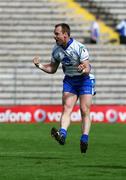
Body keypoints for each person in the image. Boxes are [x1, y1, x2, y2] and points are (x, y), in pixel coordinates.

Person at [33, 23, 96, 154]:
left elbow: (88, 67)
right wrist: (39, 65)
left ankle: (84, 138)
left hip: (85, 80)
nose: (54, 36)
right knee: (67, 108)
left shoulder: (79, 47)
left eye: (57, 33)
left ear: (65, 35)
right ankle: (62, 135)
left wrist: (83, 69)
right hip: (70, 81)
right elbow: (52, 68)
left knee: (84, 110)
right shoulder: (56, 50)